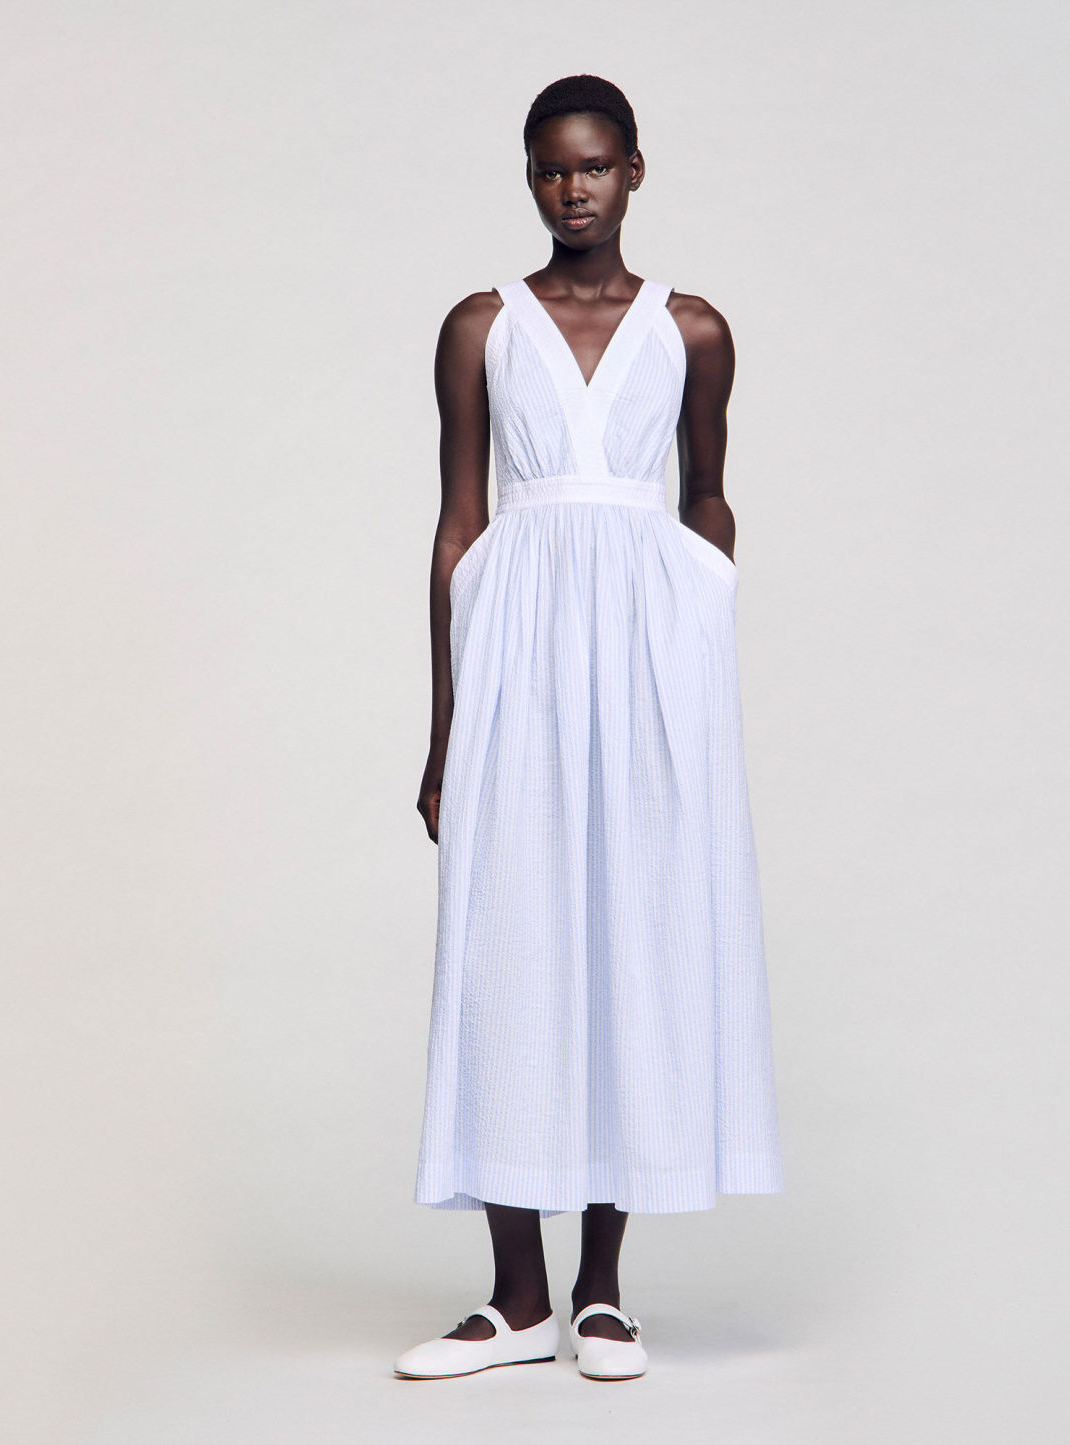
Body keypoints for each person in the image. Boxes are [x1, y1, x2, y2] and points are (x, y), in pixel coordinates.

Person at [399, 74, 784, 1382]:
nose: (574, 189)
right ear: (529, 176)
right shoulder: (479, 326)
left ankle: (602, 1293)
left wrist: (696, 646)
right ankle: (515, 1297)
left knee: (631, 942)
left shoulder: (691, 329)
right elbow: (457, 528)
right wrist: (445, 732)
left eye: (596, 166)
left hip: (647, 673)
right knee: (511, 949)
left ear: (634, 171)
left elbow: (708, 498)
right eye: (552, 169)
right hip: (515, 659)